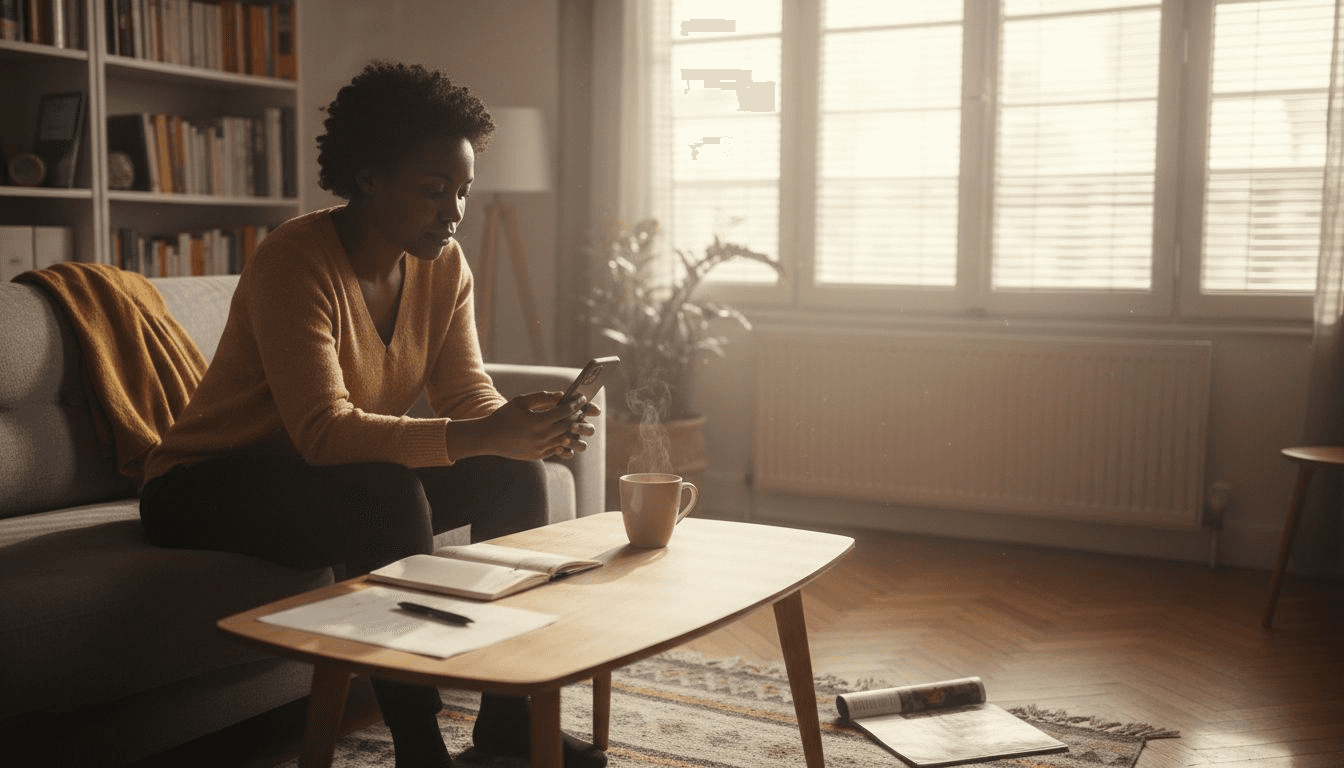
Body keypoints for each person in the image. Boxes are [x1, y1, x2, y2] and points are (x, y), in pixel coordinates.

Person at [139, 61, 604, 768]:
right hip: (207, 484)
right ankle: (419, 748)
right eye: (432, 190)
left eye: (463, 191)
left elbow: (462, 394)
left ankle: (509, 723)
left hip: (316, 479)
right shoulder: (294, 262)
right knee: (382, 492)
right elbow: (324, 434)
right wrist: (484, 433)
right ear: (367, 177)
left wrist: (520, 427)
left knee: (516, 477)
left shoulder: (443, 266)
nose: (452, 210)